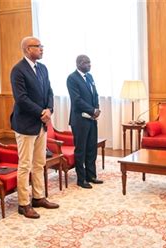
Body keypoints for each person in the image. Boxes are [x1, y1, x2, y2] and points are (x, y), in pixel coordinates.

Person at [10, 36, 59, 219]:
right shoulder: (18, 70)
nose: (41, 49)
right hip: (25, 124)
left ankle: (38, 196)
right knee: (25, 165)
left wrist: (49, 109)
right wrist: (41, 112)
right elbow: (21, 99)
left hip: (41, 124)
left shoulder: (43, 68)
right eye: (38, 46)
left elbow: (49, 92)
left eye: (41, 46)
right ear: (27, 49)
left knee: (39, 163)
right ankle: (24, 203)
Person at [66, 55, 104, 189]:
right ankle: (81, 179)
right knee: (81, 150)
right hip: (80, 120)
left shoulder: (90, 77)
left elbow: (95, 94)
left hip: (92, 119)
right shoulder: (72, 78)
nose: (89, 65)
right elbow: (76, 100)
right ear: (78, 64)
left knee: (91, 148)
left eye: (90, 62)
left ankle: (91, 176)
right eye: (86, 63)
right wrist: (92, 110)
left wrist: (97, 109)